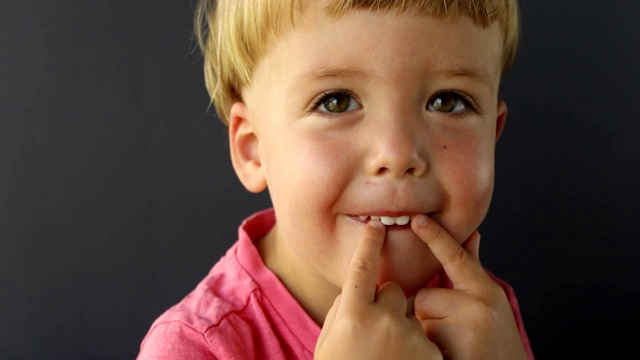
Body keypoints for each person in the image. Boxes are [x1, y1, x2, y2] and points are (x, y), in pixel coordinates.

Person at [137, 0, 534, 358]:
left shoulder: (484, 322)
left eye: (448, 101)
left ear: (493, 132)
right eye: (336, 102)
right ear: (253, 148)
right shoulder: (195, 348)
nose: (397, 155)